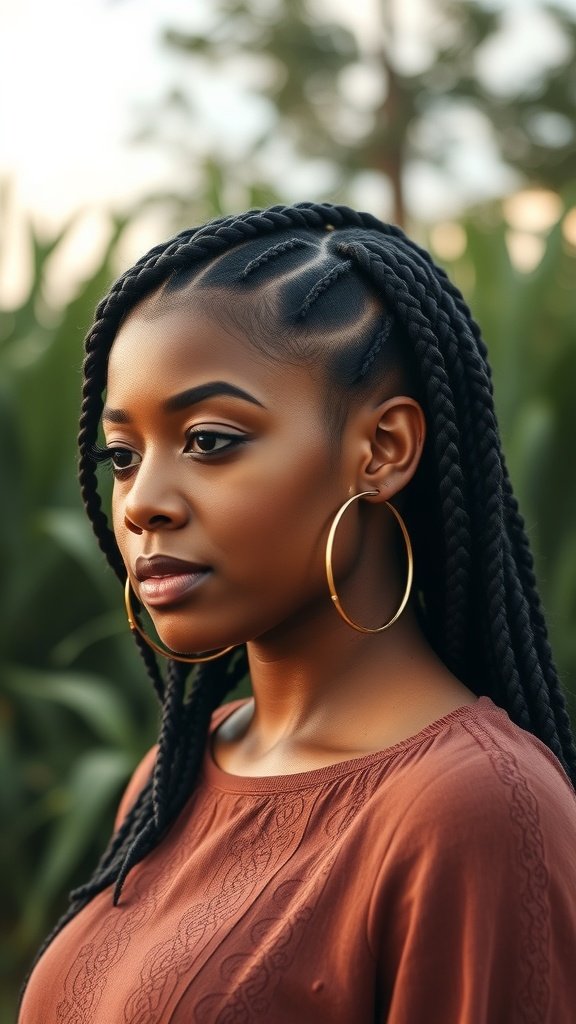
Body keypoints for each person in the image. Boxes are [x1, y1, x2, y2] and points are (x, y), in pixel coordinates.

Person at [19, 202, 576, 1023]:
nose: (141, 505)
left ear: (383, 450)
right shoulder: (174, 774)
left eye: (209, 440)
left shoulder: (473, 810)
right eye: (124, 455)